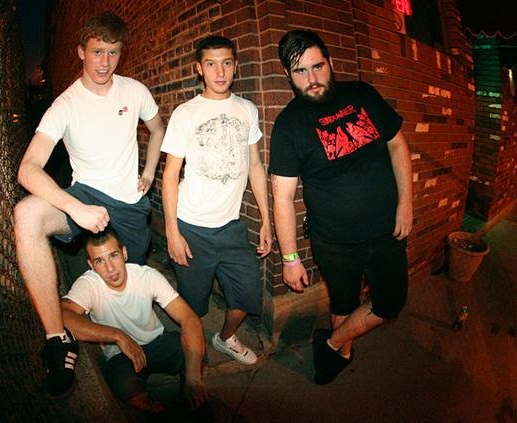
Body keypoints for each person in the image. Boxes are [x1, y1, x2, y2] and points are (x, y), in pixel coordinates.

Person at [13, 12, 165, 398]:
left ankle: (139, 353)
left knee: (130, 290)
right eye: (97, 52)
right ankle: (57, 339)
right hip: (86, 193)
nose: (104, 62)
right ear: (81, 51)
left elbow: (157, 128)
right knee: (27, 213)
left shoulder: (134, 91)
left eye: (113, 52)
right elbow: (28, 169)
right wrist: (74, 207)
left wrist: (149, 172)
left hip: (129, 205)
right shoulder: (65, 105)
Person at [269, 30, 413, 384]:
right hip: (333, 240)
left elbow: (397, 145)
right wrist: (290, 259)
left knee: (390, 302)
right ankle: (341, 353)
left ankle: (332, 343)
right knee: (343, 303)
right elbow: (282, 197)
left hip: (386, 229)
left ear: (330, 62)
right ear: (288, 74)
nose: (312, 78)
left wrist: (406, 203)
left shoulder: (361, 94)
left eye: (317, 66)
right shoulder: (288, 125)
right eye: (300, 71)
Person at [161, 36, 272, 365]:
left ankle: (224, 339)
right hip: (191, 227)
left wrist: (266, 220)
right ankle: (193, 354)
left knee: (248, 294)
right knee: (193, 306)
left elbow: (255, 165)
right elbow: (170, 175)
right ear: (199, 68)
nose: (220, 72)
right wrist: (171, 231)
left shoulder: (247, 110)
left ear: (235, 66)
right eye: (211, 64)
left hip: (231, 228)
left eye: (226, 63)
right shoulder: (185, 113)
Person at [60, 228, 208, 412]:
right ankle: (152, 407)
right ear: (91, 265)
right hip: (121, 354)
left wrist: (193, 378)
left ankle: (189, 394)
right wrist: (118, 336)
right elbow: (63, 316)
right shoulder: (89, 284)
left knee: (195, 352)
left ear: (124, 253)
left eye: (113, 255)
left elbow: (189, 318)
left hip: (156, 342)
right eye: (99, 261)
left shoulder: (146, 276)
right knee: (124, 386)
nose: (110, 268)